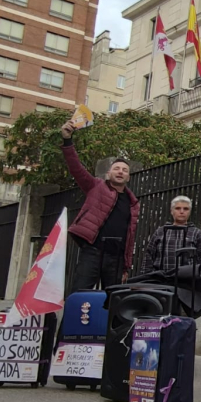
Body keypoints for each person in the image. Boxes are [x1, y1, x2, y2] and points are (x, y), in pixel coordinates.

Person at [61, 119, 139, 290]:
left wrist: (126, 265)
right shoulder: (96, 186)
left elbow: (130, 237)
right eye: (117, 168)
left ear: (128, 177)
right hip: (93, 252)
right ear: (108, 173)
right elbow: (76, 168)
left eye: (125, 170)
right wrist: (68, 140)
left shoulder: (133, 203)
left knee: (112, 301)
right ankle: (71, 318)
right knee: (80, 295)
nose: (120, 172)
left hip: (116, 258)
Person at [143, 195, 201, 278]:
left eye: (185, 209)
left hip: (187, 282)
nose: (182, 212)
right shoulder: (160, 231)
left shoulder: (196, 233)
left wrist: (200, 282)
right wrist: (147, 278)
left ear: (189, 211)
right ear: (171, 211)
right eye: (178, 208)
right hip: (161, 280)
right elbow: (148, 256)